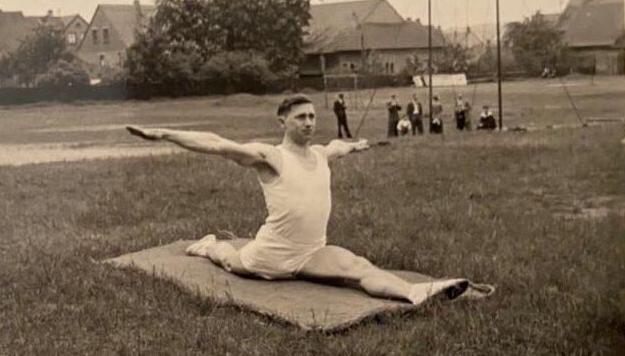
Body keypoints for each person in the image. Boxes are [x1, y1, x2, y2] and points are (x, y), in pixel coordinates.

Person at [126, 94, 468, 305]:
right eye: (300, 117)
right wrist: (164, 134)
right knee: (230, 259)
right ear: (283, 122)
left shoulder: (320, 153)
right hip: (270, 254)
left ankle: (415, 293)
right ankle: (206, 245)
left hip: (311, 253)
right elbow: (217, 143)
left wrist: (355, 145)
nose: (308, 123)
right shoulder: (270, 156)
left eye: (312, 117)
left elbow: (337, 146)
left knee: (358, 266)